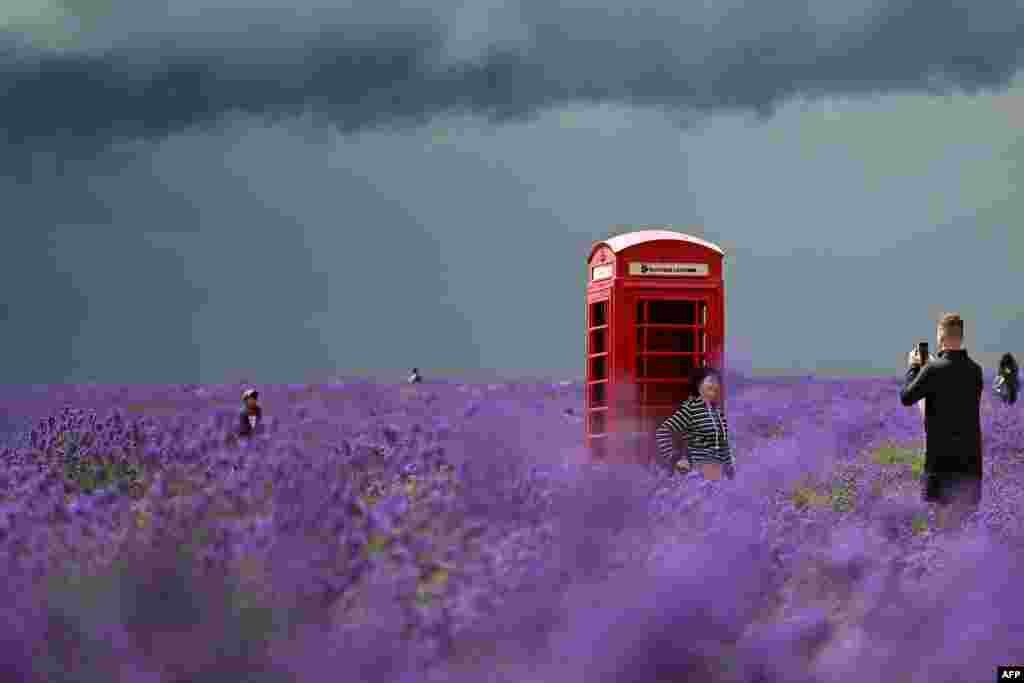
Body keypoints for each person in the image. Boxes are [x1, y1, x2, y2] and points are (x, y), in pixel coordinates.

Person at [899, 313, 984, 531]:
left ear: (940, 336)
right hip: (970, 465)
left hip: (940, 466)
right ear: (961, 336)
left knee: (939, 533)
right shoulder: (976, 371)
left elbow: (907, 397)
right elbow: (954, 387)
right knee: (967, 531)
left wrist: (913, 367)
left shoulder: (932, 371)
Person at [655, 367, 735, 481]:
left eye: (717, 381)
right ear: (699, 385)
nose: (715, 385)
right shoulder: (691, 409)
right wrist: (674, 458)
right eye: (710, 381)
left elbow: (723, 443)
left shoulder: (717, 412)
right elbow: (662, 432)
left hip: (716, 479)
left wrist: (729, 466)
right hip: (696, 478)